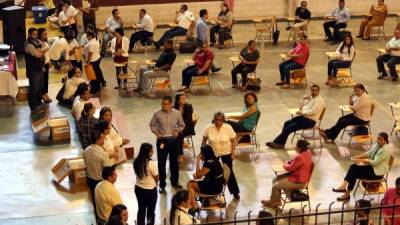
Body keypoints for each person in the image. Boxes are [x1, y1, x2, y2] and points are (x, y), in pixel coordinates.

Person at [332, 132, 391, 201]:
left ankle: (346, 193)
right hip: (372, 168)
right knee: (353, 167)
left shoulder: (385, 150)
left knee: (354, 173)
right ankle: (343, 187)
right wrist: (358, 156)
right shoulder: (378, 145)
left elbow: (375, 163)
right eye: (378, 139)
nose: (378, 141)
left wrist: (361, 160)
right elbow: (369, 153)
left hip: (377, 173)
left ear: (385, 141)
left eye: (381, 140)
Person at [266, 84, 325, 149]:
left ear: (319, 91)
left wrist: (302, 113)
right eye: (312, 90)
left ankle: (277, 143)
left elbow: (314, 111)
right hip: (303, 118)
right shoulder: (310, 98)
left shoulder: (319, 100)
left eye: (315, 90)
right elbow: (300, 106)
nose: (313, 92)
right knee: (286, 123)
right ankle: (281, 143)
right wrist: (304, 99)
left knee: (289, 128)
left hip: (310, 121)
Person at [149, 96, 185, 193]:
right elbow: (152, 125)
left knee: (174, 162)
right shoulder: (157, 113)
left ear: (171, 104)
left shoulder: (177, 113)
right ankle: (162, 185)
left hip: (174, 141)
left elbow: (182, 125)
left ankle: (174, 182)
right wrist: (156, 133)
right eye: (163, 104)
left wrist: (178, 131)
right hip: (162, 141)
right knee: (161, 163)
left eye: (166, 104)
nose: (164, 106)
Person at [261, 140, 313, 207]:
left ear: (299, 148)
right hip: (298, 176)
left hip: (298, 181)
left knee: (275, 186)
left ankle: (272, 202)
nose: (295, 147)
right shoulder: (307, 153)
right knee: (275, 179)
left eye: (296, 146)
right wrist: (292, 161)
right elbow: (297, 163)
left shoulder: (300, 157)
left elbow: (289, 168)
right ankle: (277, 201)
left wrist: (285, 163)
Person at [203, 111, 240, 199]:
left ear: (223, 120)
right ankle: (211, 191)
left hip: (226, 152)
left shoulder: (228, 128)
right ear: (214, 119)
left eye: (220, 120)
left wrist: (233, 153)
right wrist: (202, 153)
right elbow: (204, 141)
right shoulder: (208, 128)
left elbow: (234, 140)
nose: (217, 121)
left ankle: (235, 192)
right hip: (213, 153)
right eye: (216, 120)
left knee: (229, 172)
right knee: (211, 172)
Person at [82, 124, 112, 219]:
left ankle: (96, 218)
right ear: (98, 140)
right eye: (102, 139)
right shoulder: (102, 154)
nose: (104, 140)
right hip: (100, 182)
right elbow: (108, 170)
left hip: (90, 180)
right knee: (103, 204)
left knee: (95, 202)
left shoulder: (86, 150)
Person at [133, 143, 159, 225]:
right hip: (150, 190)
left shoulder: (136, 161)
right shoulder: (151, 163)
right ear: (147, 152)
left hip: (138, 188)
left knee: (141, 209)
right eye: (151, 151)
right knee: (151, 211)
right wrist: (156, 183)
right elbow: (156, 177)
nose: (152, 152)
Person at [24, 27, 45, 114]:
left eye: (37, 34)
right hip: (33, 70)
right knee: (34, 88)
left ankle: (38, 103)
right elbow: (38, 55)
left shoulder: (37, 42)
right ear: (29, 34)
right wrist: (43, 50)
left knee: (39, 87)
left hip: (39, 68)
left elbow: (41, 53)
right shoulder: (28, 45)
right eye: (34, 34)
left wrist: (42, 65)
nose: (36, 36)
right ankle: (33, 107)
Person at [173, 93, 196, 163]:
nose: (184, 100)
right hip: (177, 128)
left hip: (187, 127)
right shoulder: (174, 108)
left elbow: (188, 119)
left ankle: (180, 154)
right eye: (182, 98)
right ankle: (174, 151)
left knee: (179, 134)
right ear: (177, 101)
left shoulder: (189, 107)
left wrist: (180, 127)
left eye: (184, 98)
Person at [37, 28, 52, 104]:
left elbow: (47, 54)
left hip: (46, 63)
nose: (45, 35)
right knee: (42, 80)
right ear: (40, 35)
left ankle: (46, 93)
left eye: (46, 34)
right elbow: (39, 54)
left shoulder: (45, 42)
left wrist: (49, 61)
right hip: (41, 64)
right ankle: (42, 94)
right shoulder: (38, 43)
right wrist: (42, 65)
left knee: (46, 80)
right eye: (44, 34)